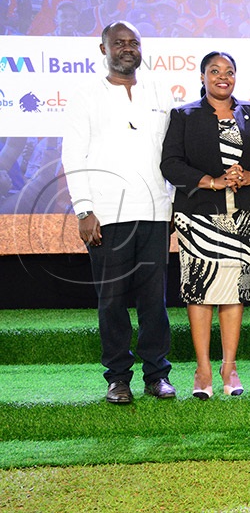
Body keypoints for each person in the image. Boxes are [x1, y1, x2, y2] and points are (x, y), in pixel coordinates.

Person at [60, 20, 175, 404]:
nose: (127, 48)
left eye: (134, 42)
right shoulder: (85, 96)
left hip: (156, 212)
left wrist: (172, 204)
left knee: (153, 300)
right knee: (111, 300)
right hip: (106, 214)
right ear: (103, 49)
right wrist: (84, 210)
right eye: (119, 42)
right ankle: (117, 377)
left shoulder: (159, 92)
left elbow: (170, 155)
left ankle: (157, 374)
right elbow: (73, 155)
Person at [160, 52, 250, 399]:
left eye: (229, 72)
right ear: (202, 76)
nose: (222, 77)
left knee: (234, 293)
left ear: (236, 77)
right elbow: (170, 163)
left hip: (241, 217)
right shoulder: (184, 115)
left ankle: (230, 368)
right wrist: (211, 181)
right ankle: (203, 370)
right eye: (214, 71)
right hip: (198, 216)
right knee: (200, 292)